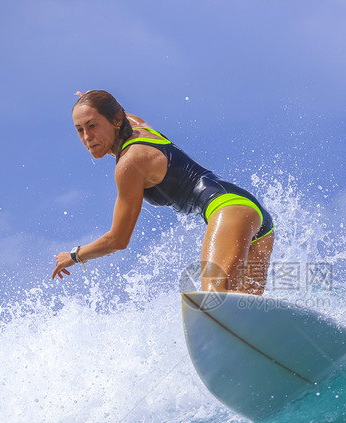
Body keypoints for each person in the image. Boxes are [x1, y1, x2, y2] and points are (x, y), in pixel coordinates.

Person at [52, 90, 274, 295]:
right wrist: (93, 103)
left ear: (116, 121)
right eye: (80, 129)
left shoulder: (129, 163)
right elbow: (118, 112)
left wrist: (74, 255)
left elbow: (118, 239)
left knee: (215, 303)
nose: (87, 137)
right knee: (243, 316)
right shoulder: (138, 126)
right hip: (252, 217)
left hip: (229, 211)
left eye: (92, 125)